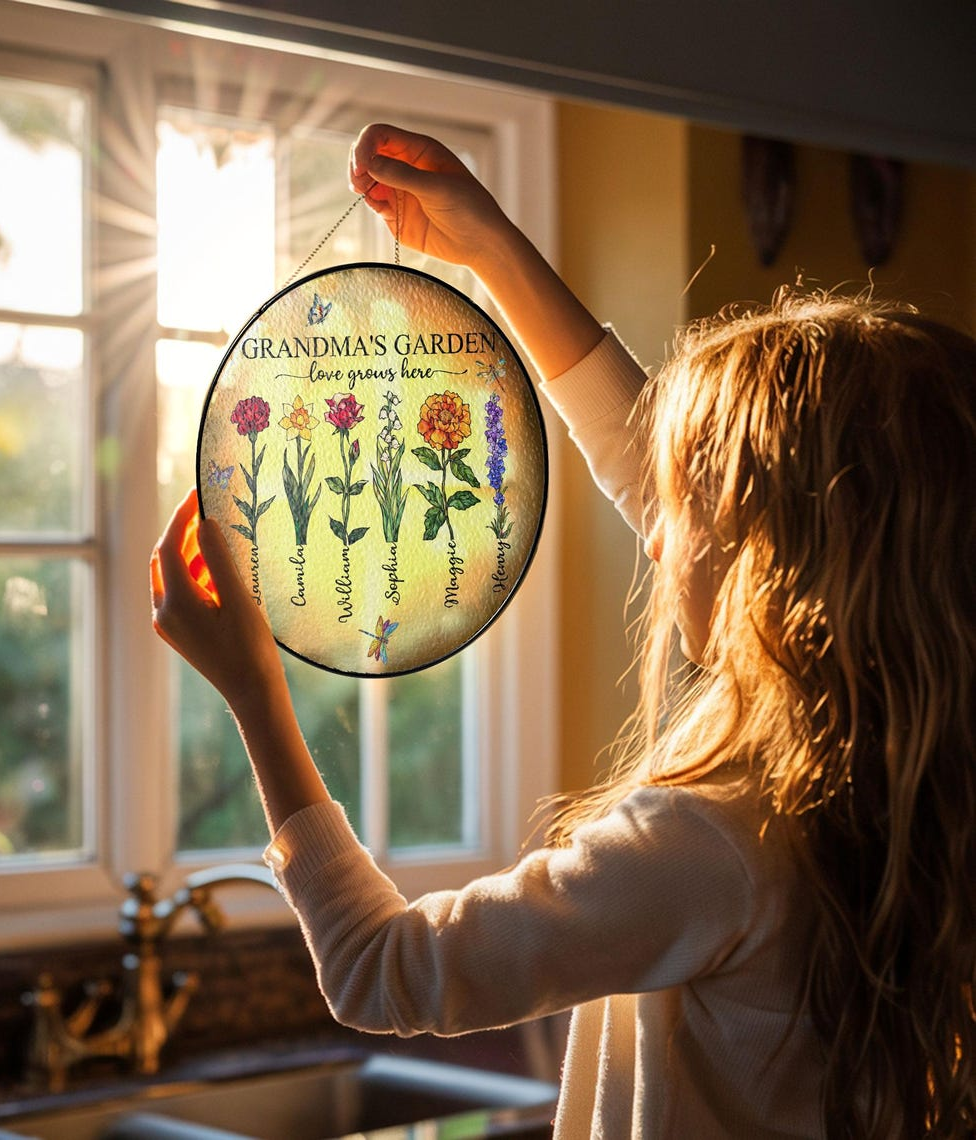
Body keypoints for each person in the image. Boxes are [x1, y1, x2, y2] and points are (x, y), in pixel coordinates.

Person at [150, 123, 976, 1138]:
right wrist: (490, 245)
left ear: (770, 561)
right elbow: (644, 453)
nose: (659, 531)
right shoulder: (897, 772)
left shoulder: (711, 846)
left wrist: (253, 688)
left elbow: (382, 971)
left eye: (686, 508)